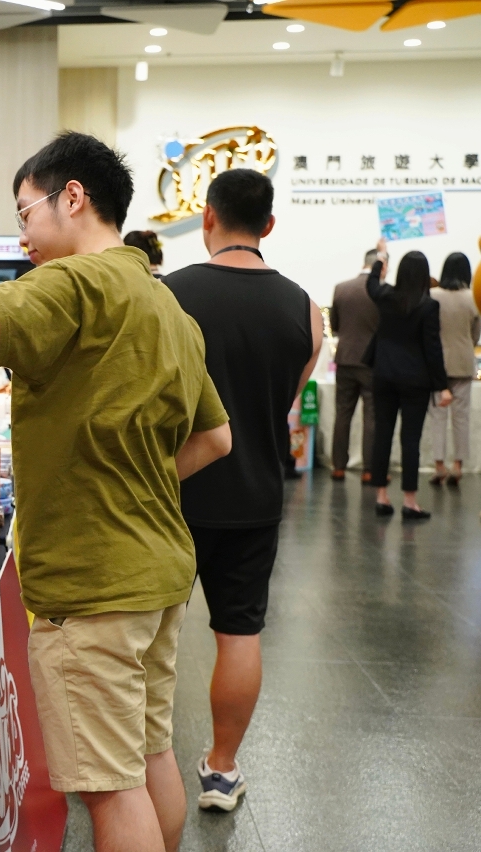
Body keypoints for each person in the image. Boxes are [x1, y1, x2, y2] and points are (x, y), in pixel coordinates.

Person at [0, 131, 233, 852]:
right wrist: (129, 479)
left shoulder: (76, 282)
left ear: (73, 197)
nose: (22, 234)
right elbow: (215, 439)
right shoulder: (168, 309)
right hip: (158, 569)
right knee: (150, 752)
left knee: (109, 785)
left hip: (91, 578)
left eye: (25, 213)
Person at [164, 169, 322, 813]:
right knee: (240, 631)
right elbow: (285, 399)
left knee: (152, 633)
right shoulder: (304, 308)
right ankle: (222, 770)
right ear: (269, 225)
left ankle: (143, 764)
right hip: (255, 494)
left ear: (207, 216)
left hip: (172, 491)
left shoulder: (169, 294)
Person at [367, 242, 452, 518]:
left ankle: (381, 496)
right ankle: (409, 501)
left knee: (383, 434)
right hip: (415, 380)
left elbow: (371, 283)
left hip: (383, 375)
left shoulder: (385, 296)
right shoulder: (428, 306)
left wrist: (381, 257)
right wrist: (442, 386)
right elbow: (433, 348)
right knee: (410, 439)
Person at [330, 249, 382, 481]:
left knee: (343, 413)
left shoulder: (341, 288)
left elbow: (335, 326)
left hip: (345, 358)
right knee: (371, 415)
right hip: (371, 362)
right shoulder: (381, 291)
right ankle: (369, 469)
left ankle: (338, 466)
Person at [428, 252, 479, 485]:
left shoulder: (433, 296)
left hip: (437, 363)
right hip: (463, 362)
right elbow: (475, 335)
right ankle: (458, 465)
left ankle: (439, 465)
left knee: (437, 416)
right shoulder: (473, 299)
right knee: (461, 417)